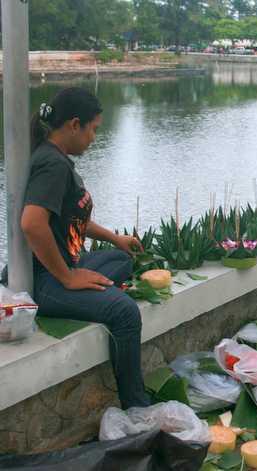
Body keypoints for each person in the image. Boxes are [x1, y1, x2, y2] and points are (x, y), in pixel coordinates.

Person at [21, 88, 150, 409]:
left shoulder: (57, 159)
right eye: (93, 129)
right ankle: (136, 407)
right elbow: (32, 223)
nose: (94, 138)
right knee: (124, 312)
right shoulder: (52, 165)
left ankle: (92, 288)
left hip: (61, 268)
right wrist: (67, 277)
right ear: (74, 125)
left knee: (121, 259)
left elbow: (69, 218)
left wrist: (115, 238)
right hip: (44, 281)